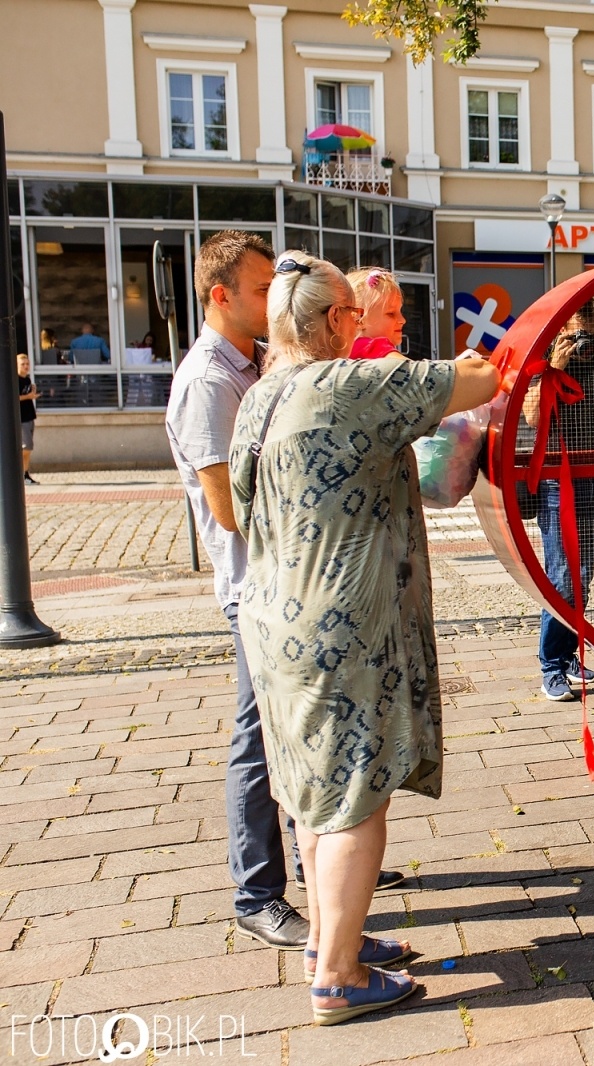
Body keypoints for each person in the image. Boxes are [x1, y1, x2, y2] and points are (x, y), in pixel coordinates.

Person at [229, 250, 500, 1025]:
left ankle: (327, 939)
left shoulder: (261, 396)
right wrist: (479, 353)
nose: (358, 325)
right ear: (331, 322)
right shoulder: (350, 385)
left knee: (311, 794)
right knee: (356, 796)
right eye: (352, 314)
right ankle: (339, 979)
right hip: (340, 625)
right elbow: (478, 381)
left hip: (273, 616)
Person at [167, 231, 315, 953]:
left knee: (291, 728)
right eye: (262, 290)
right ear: (220, 295)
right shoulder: (208, 381)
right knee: (258, 737)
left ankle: (316, 867)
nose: (273, 301)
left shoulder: (254, 363)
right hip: (255, 588)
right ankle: (257, 892)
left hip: (283, 579)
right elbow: (227, 508)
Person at [525, 297, 594, 702]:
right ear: (564, 329)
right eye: (579, 326)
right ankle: (551, 665)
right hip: (559, 480)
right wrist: (556, 366)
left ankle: (568, 654)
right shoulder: (548, 366)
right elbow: (533, 418)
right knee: (562, 576)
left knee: (582, 574)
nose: (588, 333)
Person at [346, 267, 407, 359]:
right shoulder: (371, 347)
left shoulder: (346, 348)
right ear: (358, 319)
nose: (402, 320)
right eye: (391, 314)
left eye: (400, 311)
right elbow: (412, 369)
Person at [16, 352, 39, 484]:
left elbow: (27, 395)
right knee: (26, 447)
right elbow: (15, 397)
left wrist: (32, 394)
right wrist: (28, 396)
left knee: (28, 448)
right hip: (21, 418)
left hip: (29, 415)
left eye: (27, 364)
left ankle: (25, 474)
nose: (26, 366)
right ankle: (19, 473)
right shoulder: (15, 380)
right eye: (22, 364)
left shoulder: (27, 379)